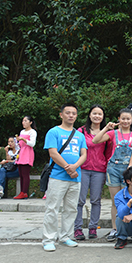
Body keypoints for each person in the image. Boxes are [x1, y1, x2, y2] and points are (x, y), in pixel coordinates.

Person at [42, 103, 88, 252]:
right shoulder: (53, 132)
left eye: (74, 113)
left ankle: (66, 236)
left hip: (75, 178)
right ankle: (49, 238)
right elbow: (53, 153)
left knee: (71, 209)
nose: (71, 115)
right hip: (57, 176)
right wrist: (68, 168)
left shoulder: (79, 135)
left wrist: (74, 168)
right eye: (68, 113)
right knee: (52, 208)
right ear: (61, 115)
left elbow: (84, 154)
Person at [93, 108, 132, 242]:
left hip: (129, 170)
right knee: (116, 201)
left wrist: (130, 168)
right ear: (118, 119)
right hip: (113, 169)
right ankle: (115, 229)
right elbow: (96, 140)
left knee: (129, 200)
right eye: (123, 118)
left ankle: (129, 228)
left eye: (128, 119)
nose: (125, 121)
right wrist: (106, 128)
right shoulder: (113, 133)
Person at [73, 105, 109, 241]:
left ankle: (93, 227)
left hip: (99, 169)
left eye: (100, 114)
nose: (97, 116)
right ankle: (77, 228)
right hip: (83, 168)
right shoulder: (81, 131)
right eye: (94, 113)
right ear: (89, 115)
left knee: (96, 200)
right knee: (80, 200)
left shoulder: (106, 132)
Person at [13, 116, 37, 200]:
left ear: (30, 122)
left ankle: (24, 192)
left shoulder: (32, 132)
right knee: (21, 173)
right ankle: (22, 192)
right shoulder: (22, 131)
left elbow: (32, 144)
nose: (23, 122)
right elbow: (20, 144)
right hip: (21, 152)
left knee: (25, 173)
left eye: (25, 121)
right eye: (23, 121)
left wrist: (23, 139)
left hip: (28, 153)